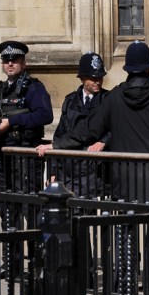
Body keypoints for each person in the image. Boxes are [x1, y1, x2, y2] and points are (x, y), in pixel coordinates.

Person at [58, 40, 149, 202]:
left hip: (122, 176)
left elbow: (88, 129)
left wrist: (57, 144)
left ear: (127, 68)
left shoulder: (114, 96)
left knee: (124, 224)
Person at [0, 40, 53, 279]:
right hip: (4, 159)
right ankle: (11, 264)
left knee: (29, 212)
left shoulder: (33, 88)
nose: (10, 64)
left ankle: (36, 265)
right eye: (6, 60)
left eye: (14, 60)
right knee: (7, 213)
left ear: (24, 62)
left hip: (24, 157)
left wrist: (11, 122)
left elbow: (45, 115)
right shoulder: (0, 90)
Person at [35, 51, 111, 198]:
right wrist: (53, 172)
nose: (98, 81)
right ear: (82, 78)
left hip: (94, 171)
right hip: (69, 170)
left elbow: (115, 128)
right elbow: (60, 134)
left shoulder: (108, 99)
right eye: (93, 77)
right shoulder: (70, 101)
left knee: (89, 215)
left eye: (100, 77)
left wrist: (104, 141)